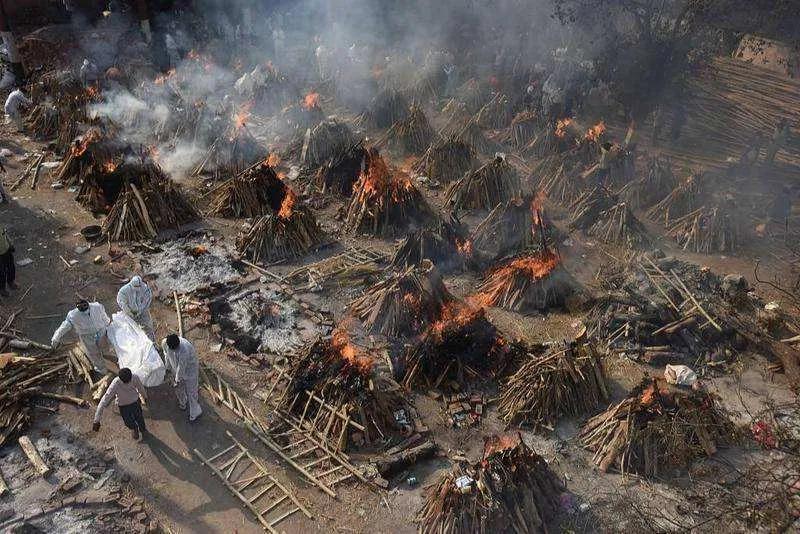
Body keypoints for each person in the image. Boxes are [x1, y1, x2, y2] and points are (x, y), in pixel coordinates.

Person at [51, 300, 111, 374]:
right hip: (87, 336)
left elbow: (104, 317)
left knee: (105, 348)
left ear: (88, 304)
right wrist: (56, 338)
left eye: (85, 306)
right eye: (81, 308)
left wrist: (108, 324)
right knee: (94, 353)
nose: (84, 309)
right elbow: (64, 326)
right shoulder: (73, 315)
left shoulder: (97, 307)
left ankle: (110, 363)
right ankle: (101, 368)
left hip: (101, 331)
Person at [93, 367, 148, 440]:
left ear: (131, 376)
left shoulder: (135, 378)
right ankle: (134, 428)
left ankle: (142, 429)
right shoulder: (115, 383)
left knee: (139, 417)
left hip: (135, 402)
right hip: (124, 406)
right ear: (121, 379)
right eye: (126, 382)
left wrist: (145, 396)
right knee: (128, 421)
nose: (128, 383)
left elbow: (140, 388)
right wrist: (96, 420)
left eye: (129, 381)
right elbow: (104, 400)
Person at [161, 334, 202, 422]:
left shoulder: (184, 349)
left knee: (192, 391)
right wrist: (168, 368)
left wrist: (177, 380)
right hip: (175, 367)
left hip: (190, 369)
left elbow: (181, 367)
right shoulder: (164, 343)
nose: (174, 351)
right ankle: (183, 402)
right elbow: (166, 355)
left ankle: (194, 412)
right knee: (179, 388)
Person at [117, 275, 154, 341]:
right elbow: (122, 302)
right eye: (135, 287)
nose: (137, 288)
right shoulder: (124, 291)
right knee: (132, 329)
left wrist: (140, 310)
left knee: (148, 327)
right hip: (130, 313)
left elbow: (147, 301)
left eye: (138, 286)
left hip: (143, 312)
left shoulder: (145, 289)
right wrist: (129, 312)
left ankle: (152, 342)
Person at [0, 225, 16, 297]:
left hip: (7, 250)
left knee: (11, 267)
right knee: (2, 273)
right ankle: (2, 289)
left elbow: (5, 235)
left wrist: (10, 244)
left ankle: (11, 282)